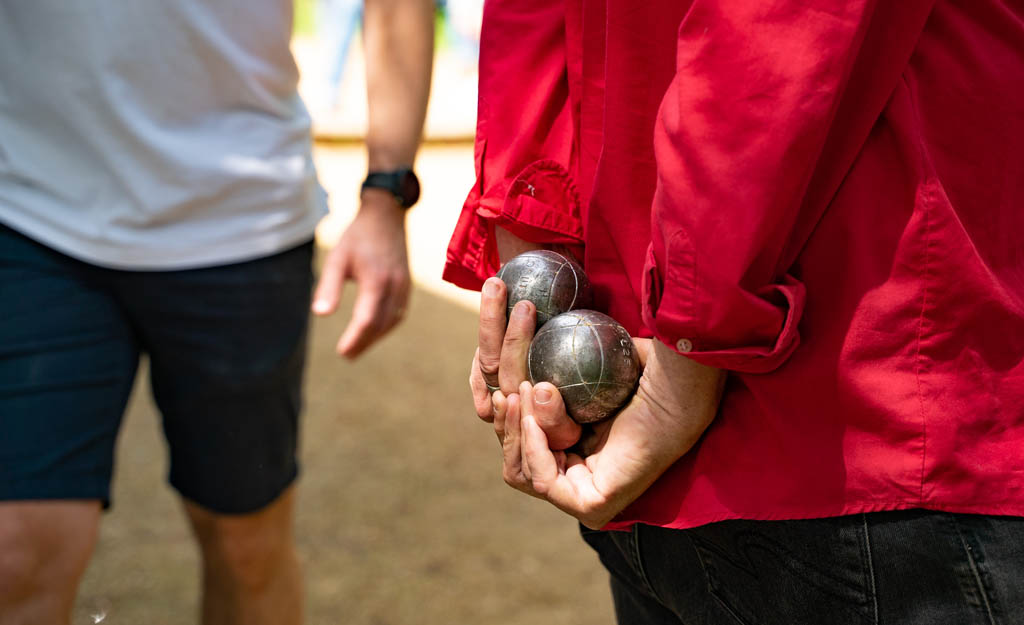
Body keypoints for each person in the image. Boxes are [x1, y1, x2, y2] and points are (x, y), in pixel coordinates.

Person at [444, 0, 1024, 622]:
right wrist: (681, 363)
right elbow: (772, 29)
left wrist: (539, 294)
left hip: (642, 404)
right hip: (860, 425)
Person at [0, 1, 433, 624]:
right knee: (17, 551)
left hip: (240, 221)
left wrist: (387, 192)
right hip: (31, 212)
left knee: (245, 545)